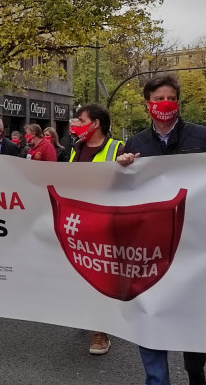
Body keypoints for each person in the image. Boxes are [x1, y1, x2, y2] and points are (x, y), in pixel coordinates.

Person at [116, 74, 206, 385]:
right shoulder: (136, 144)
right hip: (150, 246)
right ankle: (156, 379)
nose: (164, 104)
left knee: (191, 314)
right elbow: (123, 192)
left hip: (192, 242)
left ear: (178, 101)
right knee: (150, 312)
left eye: (170, 97)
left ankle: (195, 373)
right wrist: (122, 169)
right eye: (158, 99)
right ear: (147, 105)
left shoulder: (203, 138)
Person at [69, 103, 124, 355]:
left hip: (106, 223)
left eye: (81, 120)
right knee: (81, 273)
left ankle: (101, 332)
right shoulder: (75, 148)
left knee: (100, 275)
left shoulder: (117, 149)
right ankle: (87, 315)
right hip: (78, 221)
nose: (77, 124)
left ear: (96, 123)